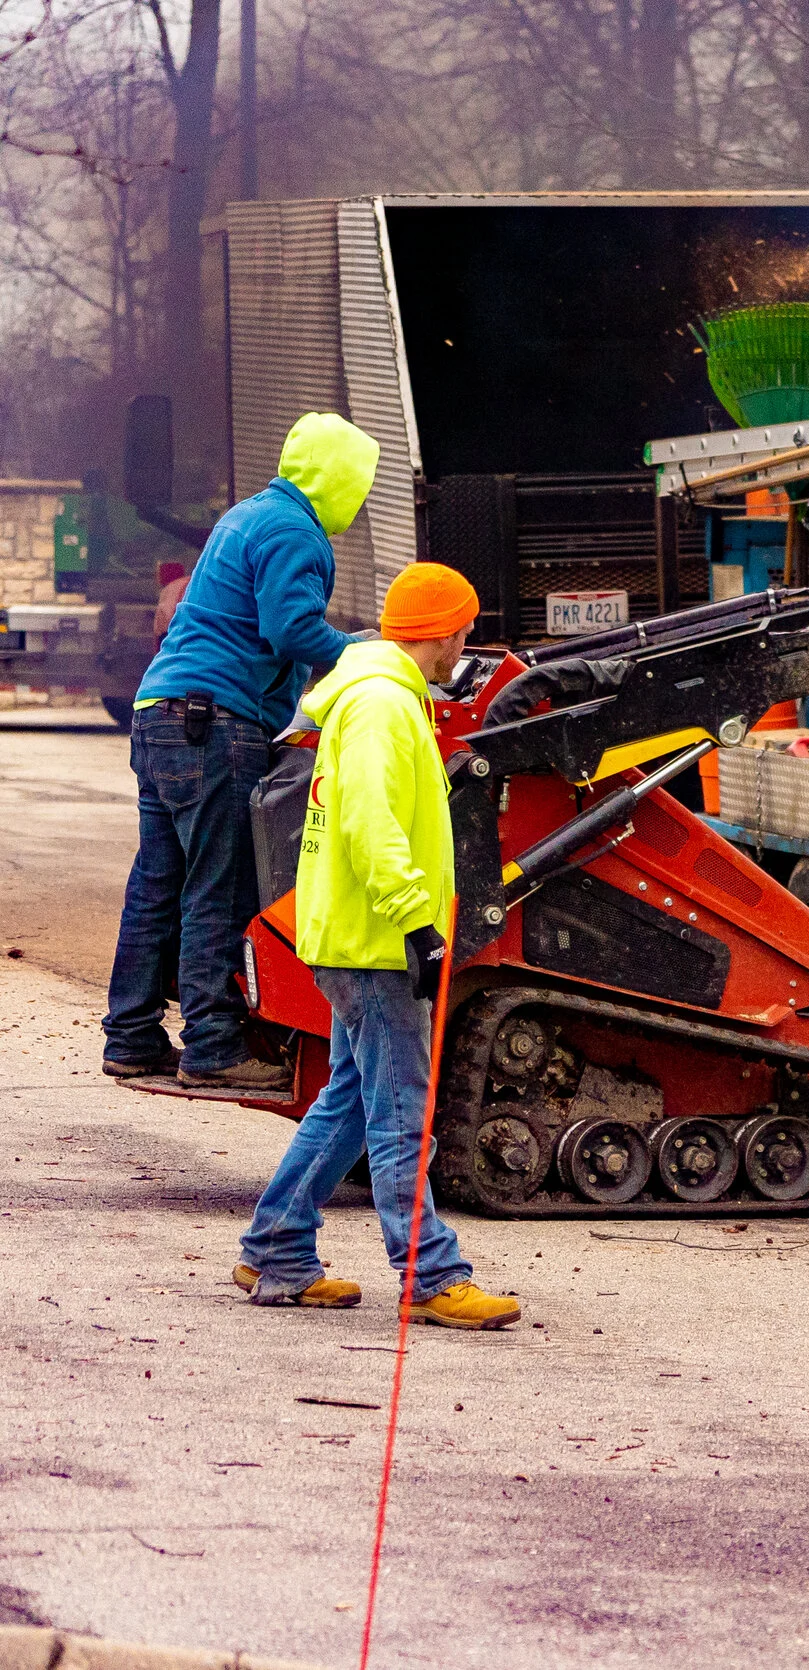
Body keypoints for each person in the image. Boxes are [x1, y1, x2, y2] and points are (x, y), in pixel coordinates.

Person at [233, 562, 520, 1328]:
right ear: (448, 632)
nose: (466, 643)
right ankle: (432, 1276)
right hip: (376, 940)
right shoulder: (386, 707)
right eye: (465, 628)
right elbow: (368, 823)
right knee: (400, 1110)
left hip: (352, 936)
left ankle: (276, 1251)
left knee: (353, 1102)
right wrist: (418, 923)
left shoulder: (368, 695)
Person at [102, 413, 374, 1088]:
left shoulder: (249, 515)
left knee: (157, 884)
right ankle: (213, 1046)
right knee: (217, 888)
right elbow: (292, 628)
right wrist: (369, 657)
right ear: (339, 478)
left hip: (159, 712)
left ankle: (132, 1035)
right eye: (360, 484)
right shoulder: (294, 530)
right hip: (215, 723)